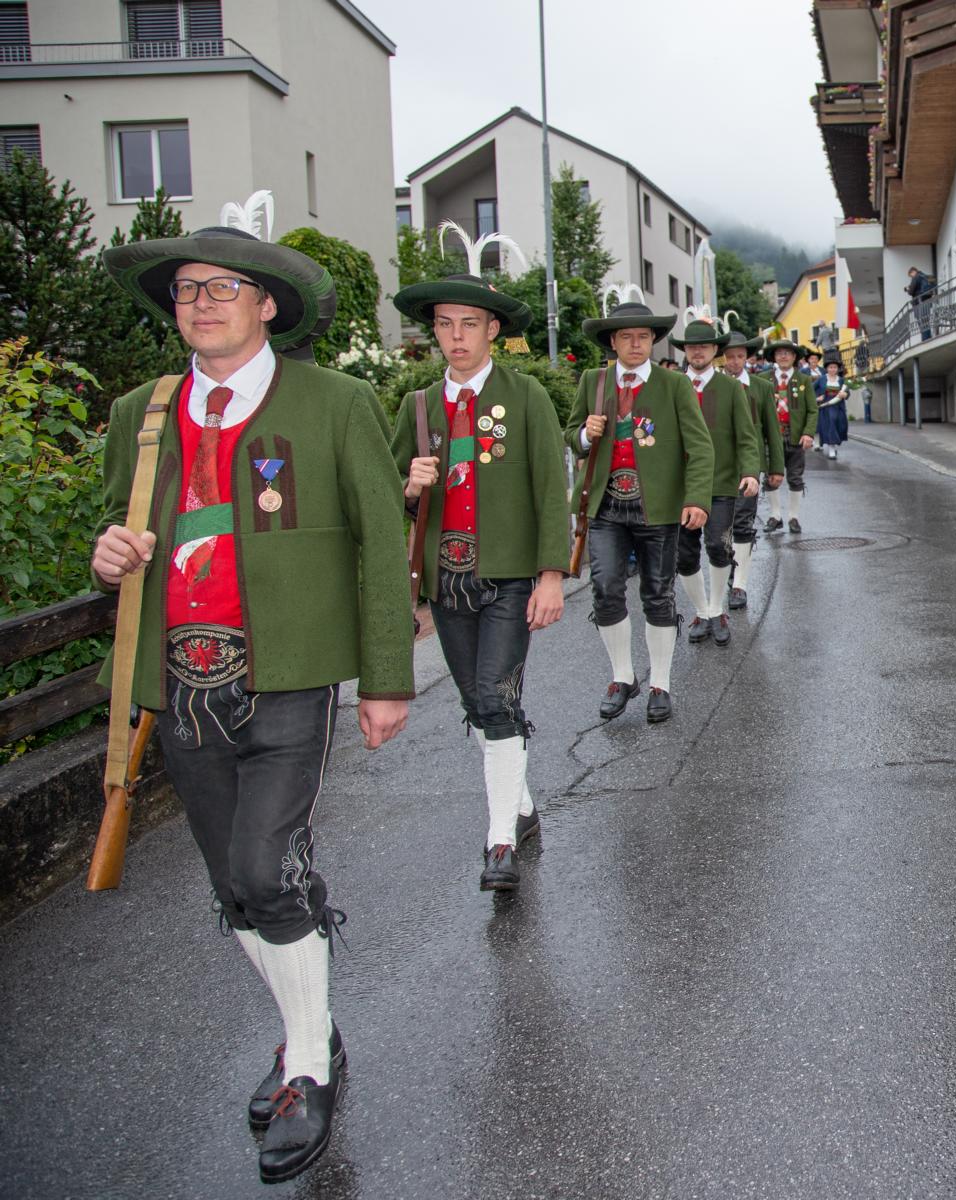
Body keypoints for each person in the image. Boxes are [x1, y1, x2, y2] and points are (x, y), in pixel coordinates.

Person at [93, 196, 413, 1184]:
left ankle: (308, 1069)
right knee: (237, 885)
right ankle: (308, 1026)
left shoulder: (336, 404)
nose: (201, 303)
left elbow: (376, 546)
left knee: (266, 867)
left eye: (222, 287)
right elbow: (117, 534)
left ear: (267, 305)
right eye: (187, 290)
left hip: (286, 673)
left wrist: (386, 679)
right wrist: (111, 554)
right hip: (179, 678)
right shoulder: (138, 417)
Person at [389, 222, 569, 891]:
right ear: (432, 332)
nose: (457, 336)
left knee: (495, 697)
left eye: (470, 323)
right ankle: (518, 808)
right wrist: (409, 485)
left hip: (509, 579)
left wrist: (550, 575)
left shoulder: (525, 400)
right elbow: (386, 496)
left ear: (494, 330)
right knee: (479, 704)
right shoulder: (417, 407)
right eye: (445, 324)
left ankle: (499, 843)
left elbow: (552, 492)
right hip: (447, 579)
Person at [566, 291, 713, 724]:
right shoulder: (592, 383)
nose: (635, 344)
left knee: (657, 594)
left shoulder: (673, 384)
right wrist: (585, 435)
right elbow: (571, 434)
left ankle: (660, 683)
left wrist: (696, 498)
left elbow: (699, 447)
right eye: (626, 337)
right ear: (612, 342)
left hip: (660, 508)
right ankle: (622, 677)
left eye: (643, 337)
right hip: (606, 505)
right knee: (607, 589)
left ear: (653, 341)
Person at [668, 310, 761, 645]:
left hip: (722, 483)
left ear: (714, 350)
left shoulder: (730, 388)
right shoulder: (671, 386)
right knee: (685, 554)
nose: (697, 352)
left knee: (718, 548)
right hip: (679, 486)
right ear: (684, 350)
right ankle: (701, 610)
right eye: (692, 347)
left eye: (704, 346)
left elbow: (747, 437)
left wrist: (750, 472)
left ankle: (718, 608)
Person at [718, 330, 784, 611]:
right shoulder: (714, 386)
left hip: (750, 465)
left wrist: (775, 468)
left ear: (748, 357)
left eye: (740, 356)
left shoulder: (760, 387)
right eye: (730, 357)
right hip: (719, 467)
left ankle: (740, 584)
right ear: (722, 359)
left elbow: (772, 429)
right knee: (721, 526)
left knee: (744, 522)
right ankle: (724, 573)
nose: (735, 361)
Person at [759, 334, 819, 535]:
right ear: (774, 356)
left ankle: (794, 517)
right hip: (771, 436)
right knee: (771, 477)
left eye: (787, 353)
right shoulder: (763, 378)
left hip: (794, 435)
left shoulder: (803, 379)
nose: (783, 356)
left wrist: (808, 433)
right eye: (779, 353)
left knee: (795, 477)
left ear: (794, 357)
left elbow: (812, 410)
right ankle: (775, 516)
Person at [815, 356, 850, 460]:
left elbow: (848, 393)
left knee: (839, 426)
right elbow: (810, 389)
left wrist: (845, 395)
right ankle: (831, 448)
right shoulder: (821, 379)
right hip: (826, 407)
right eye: (830, 367)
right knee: (831, 424)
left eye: (834, 367)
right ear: (827, 369)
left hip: (839, 407)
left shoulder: (842, 380)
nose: (832, 369)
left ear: (837, 369)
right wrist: (817, 398)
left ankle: (833, 445)